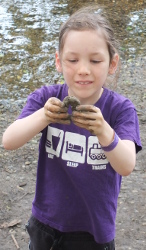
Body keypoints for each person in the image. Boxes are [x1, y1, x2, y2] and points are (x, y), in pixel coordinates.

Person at [2, 5, 142, 250]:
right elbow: (9, 140)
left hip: (94, 228)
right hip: (45, 221)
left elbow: (127, 165)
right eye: (73, 60)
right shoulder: (46, 98)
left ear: (112, 63)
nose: (83, 70)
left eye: (95, 60)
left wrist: (103, 131)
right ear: (59, 61)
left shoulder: (121, 110)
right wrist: (44, 116)